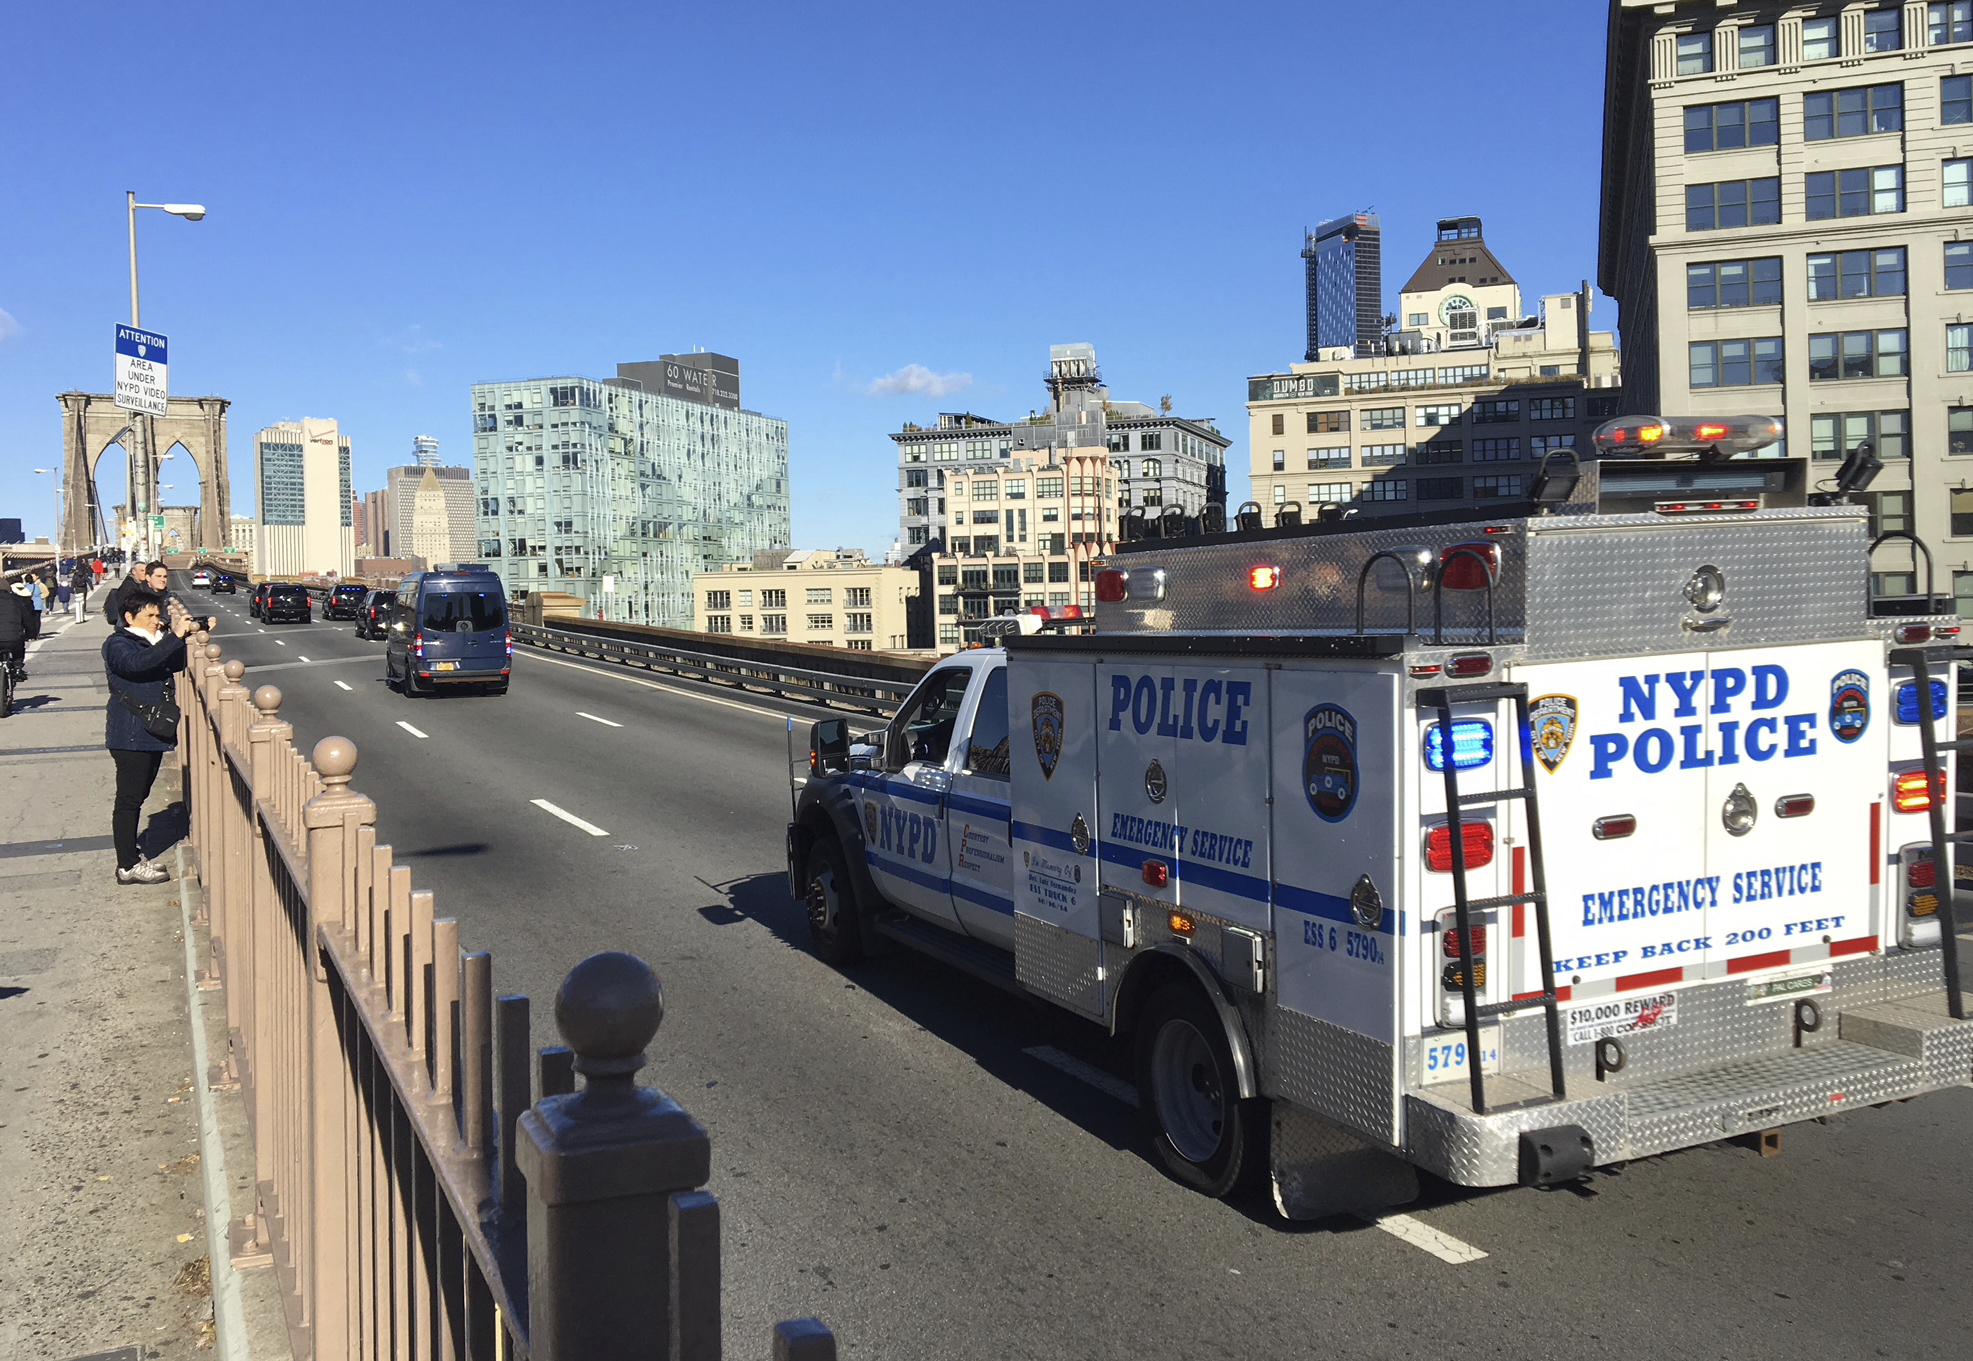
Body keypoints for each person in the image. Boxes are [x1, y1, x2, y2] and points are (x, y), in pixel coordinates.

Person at [103, 585, 192, 885]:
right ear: (129, 616)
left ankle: (131, 855)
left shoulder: (153, 640)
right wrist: (172, 638)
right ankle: (126, 866)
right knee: (128, 800)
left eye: (158, 614)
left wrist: (182, 636)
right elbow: (136, 665)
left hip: (148, 732)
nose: (156, 619)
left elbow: (176, 663)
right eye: (150, 615)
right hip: (129, 734)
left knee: (138, 797)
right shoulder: (118, 644)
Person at [0, 580, 30, 682]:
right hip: (14, 637)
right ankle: (18, 668)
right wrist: (31, 634)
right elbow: (27, 619)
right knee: (18, 648)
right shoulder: (16, 601)